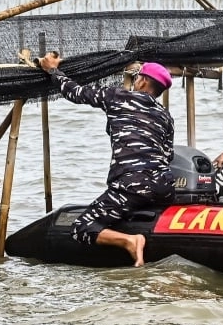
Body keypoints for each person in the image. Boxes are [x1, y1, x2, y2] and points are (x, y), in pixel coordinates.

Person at [38, 55, 175, 267]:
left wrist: (53, 71)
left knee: (82, 227)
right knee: (136, 200)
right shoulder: (166, 116)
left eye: (137, 77)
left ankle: (130, 240)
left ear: (143, 81)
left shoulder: (117, 96)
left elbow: (75, 93)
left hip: (131, 186)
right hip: (164, 187)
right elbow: (168, 156)